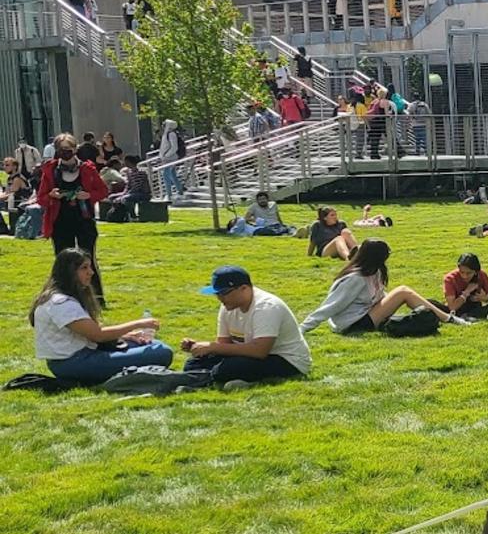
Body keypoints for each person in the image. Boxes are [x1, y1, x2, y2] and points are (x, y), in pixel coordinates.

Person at [30, 248, 171, 383]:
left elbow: (88, 333)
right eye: (84, 268)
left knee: (153, 345)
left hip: (85, 353)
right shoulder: (60, 303)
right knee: (162, 352)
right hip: (73, 363)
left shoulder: (66, 298)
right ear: (69, 272)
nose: (91, 272)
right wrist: (139, 323)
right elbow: (97, 335)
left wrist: (125, 337)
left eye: (90, 267)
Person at [180, 266, 312, 386]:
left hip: (285, 359)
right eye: (217, 293)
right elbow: (224, 344)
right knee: (193, 363)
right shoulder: (227, 307)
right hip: (251, 355)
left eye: (224, 292)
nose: (219, 298)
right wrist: (202, 348)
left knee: (229, 368)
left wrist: (213, 347)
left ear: (244, 288)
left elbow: (259, 351)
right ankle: (207, 379)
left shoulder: (266, 307)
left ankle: (198, 381)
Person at [302, 240, 457, 335]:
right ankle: (449, 318)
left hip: (365, 315)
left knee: (407, 295)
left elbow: (380, 295)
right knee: (403, 291)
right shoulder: (355, 279)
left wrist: (393, 302)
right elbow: (332, 305)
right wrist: (303, 328)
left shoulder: (374, 271)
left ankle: (444, 315)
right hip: (353, 324)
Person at [38, 134, 107, 303]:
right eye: (61, 151)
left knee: (87, 258)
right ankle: (63, 296)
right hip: (60, 221)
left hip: (84, 219)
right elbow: (41, 198)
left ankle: (95, 297)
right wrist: (51, 195)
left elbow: (103, 191)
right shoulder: (50, 170)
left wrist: (89, 195)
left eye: (68, 150)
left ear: (75, 149)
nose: (64, 154)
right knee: (63, 259)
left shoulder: (87, 169)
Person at [443, 253, 488, 318]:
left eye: (469, 273)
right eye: (462, 272)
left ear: (475, 272)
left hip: (475, 308)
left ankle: (469, 316)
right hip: (457, 310)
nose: (464, 276)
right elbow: (452, 307)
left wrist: (485, 298)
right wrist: (466, 292)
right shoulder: (450, 278)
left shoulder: (481, 275)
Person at [228, 191, 295, 238]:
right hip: (267, 226)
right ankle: (289, 233)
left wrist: (281, 223)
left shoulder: (273, 204)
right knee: (273, 231)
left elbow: (278, 216)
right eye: (260, 199)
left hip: (275, 225)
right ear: (257, 201)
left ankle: (294, 233)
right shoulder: (254, 206)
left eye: (264, 199)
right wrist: (255, 220)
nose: (262, 201)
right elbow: (245, 218)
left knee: (290, 227)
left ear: (267, 199)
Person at [155, 119, 185, 201]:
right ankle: (179, 190)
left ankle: (169, 194)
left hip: (170, 158)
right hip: (167, 158)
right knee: (172, 174)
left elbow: (174, 147)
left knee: (166, 175)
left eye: (164, 125)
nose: (163, 126)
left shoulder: (171, 134)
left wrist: (166, 155)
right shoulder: (167, 134)